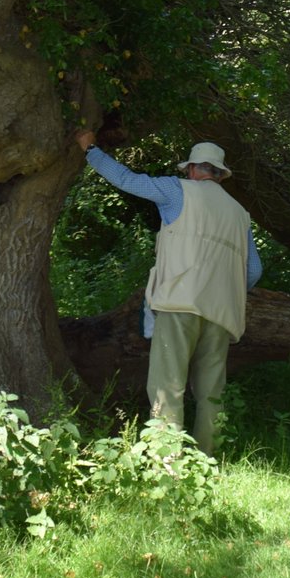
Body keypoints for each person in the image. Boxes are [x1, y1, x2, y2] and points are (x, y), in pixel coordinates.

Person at [73, 131, 262, 456]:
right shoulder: (239, 214)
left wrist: (90, 150)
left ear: (191, 169)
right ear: (219, 174)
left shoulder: (177, 191)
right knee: (210, 393)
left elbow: (126, 179)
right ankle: (207, 462)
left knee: (167, 386)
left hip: (178, 303)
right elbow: (254, 271)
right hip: (221, 312)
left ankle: (167, 466)